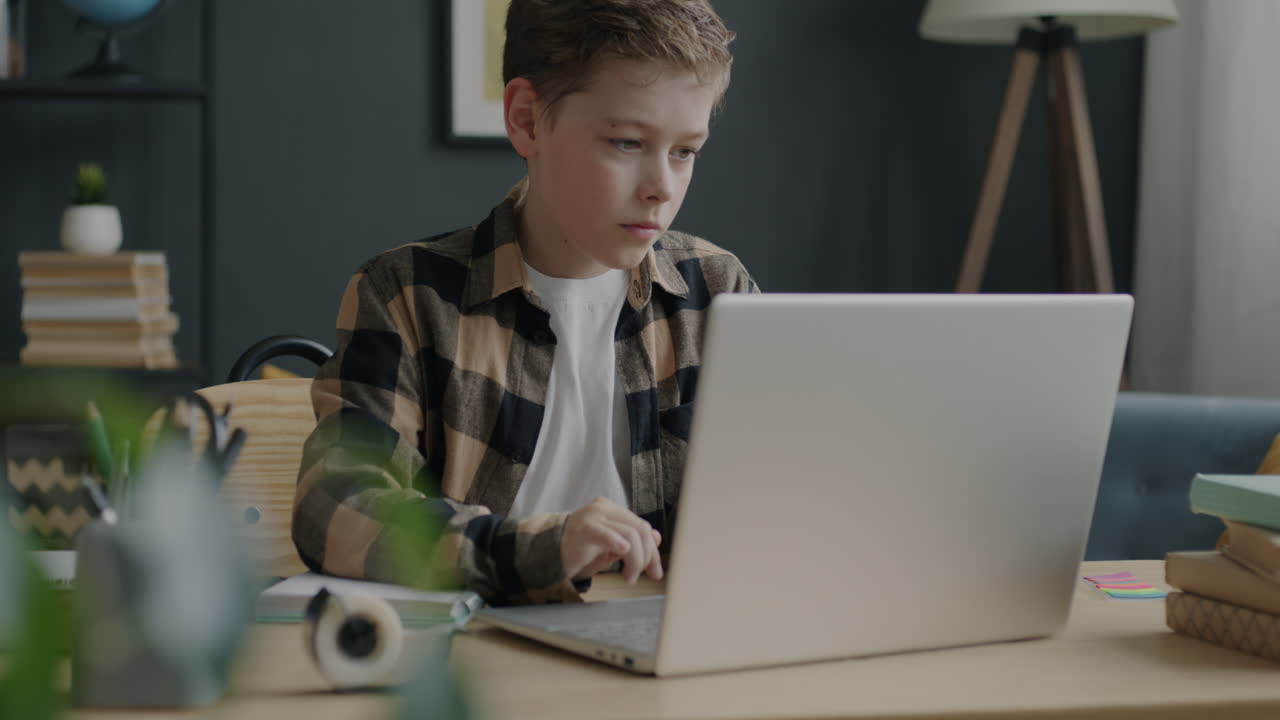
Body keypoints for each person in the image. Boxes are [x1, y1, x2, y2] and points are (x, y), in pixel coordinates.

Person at [293, 0, 757, 605]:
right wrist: (541, 549)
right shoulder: (408, 294)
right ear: (527, 119)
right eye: (625, 142)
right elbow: (336, 506)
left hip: (668, 648)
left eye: (685, 151)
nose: (661, 187)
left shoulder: (717, 293)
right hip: (480, 660)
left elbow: (780, 498)